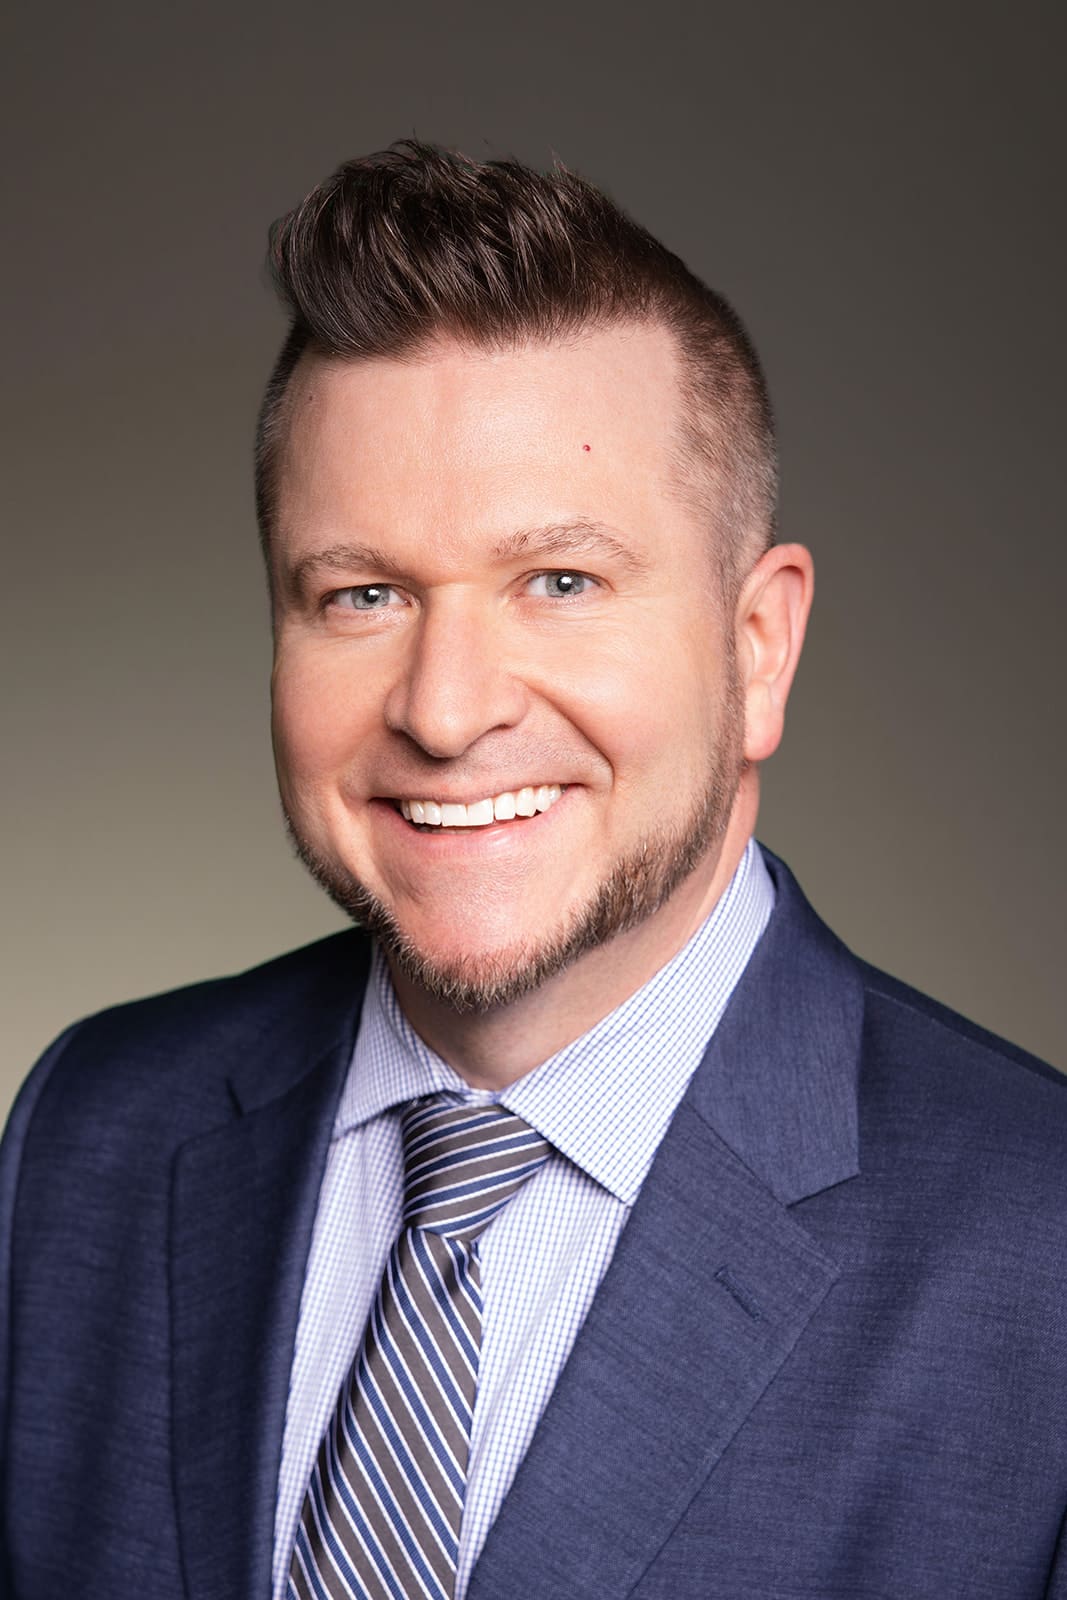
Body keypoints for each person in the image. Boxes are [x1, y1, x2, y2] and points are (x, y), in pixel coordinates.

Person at [1, 141, 1065, 1600]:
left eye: (557, 583)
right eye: (360, 594)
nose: (446, 709)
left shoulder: (1039, 1254)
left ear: (760, 647)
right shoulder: (88, 1141)